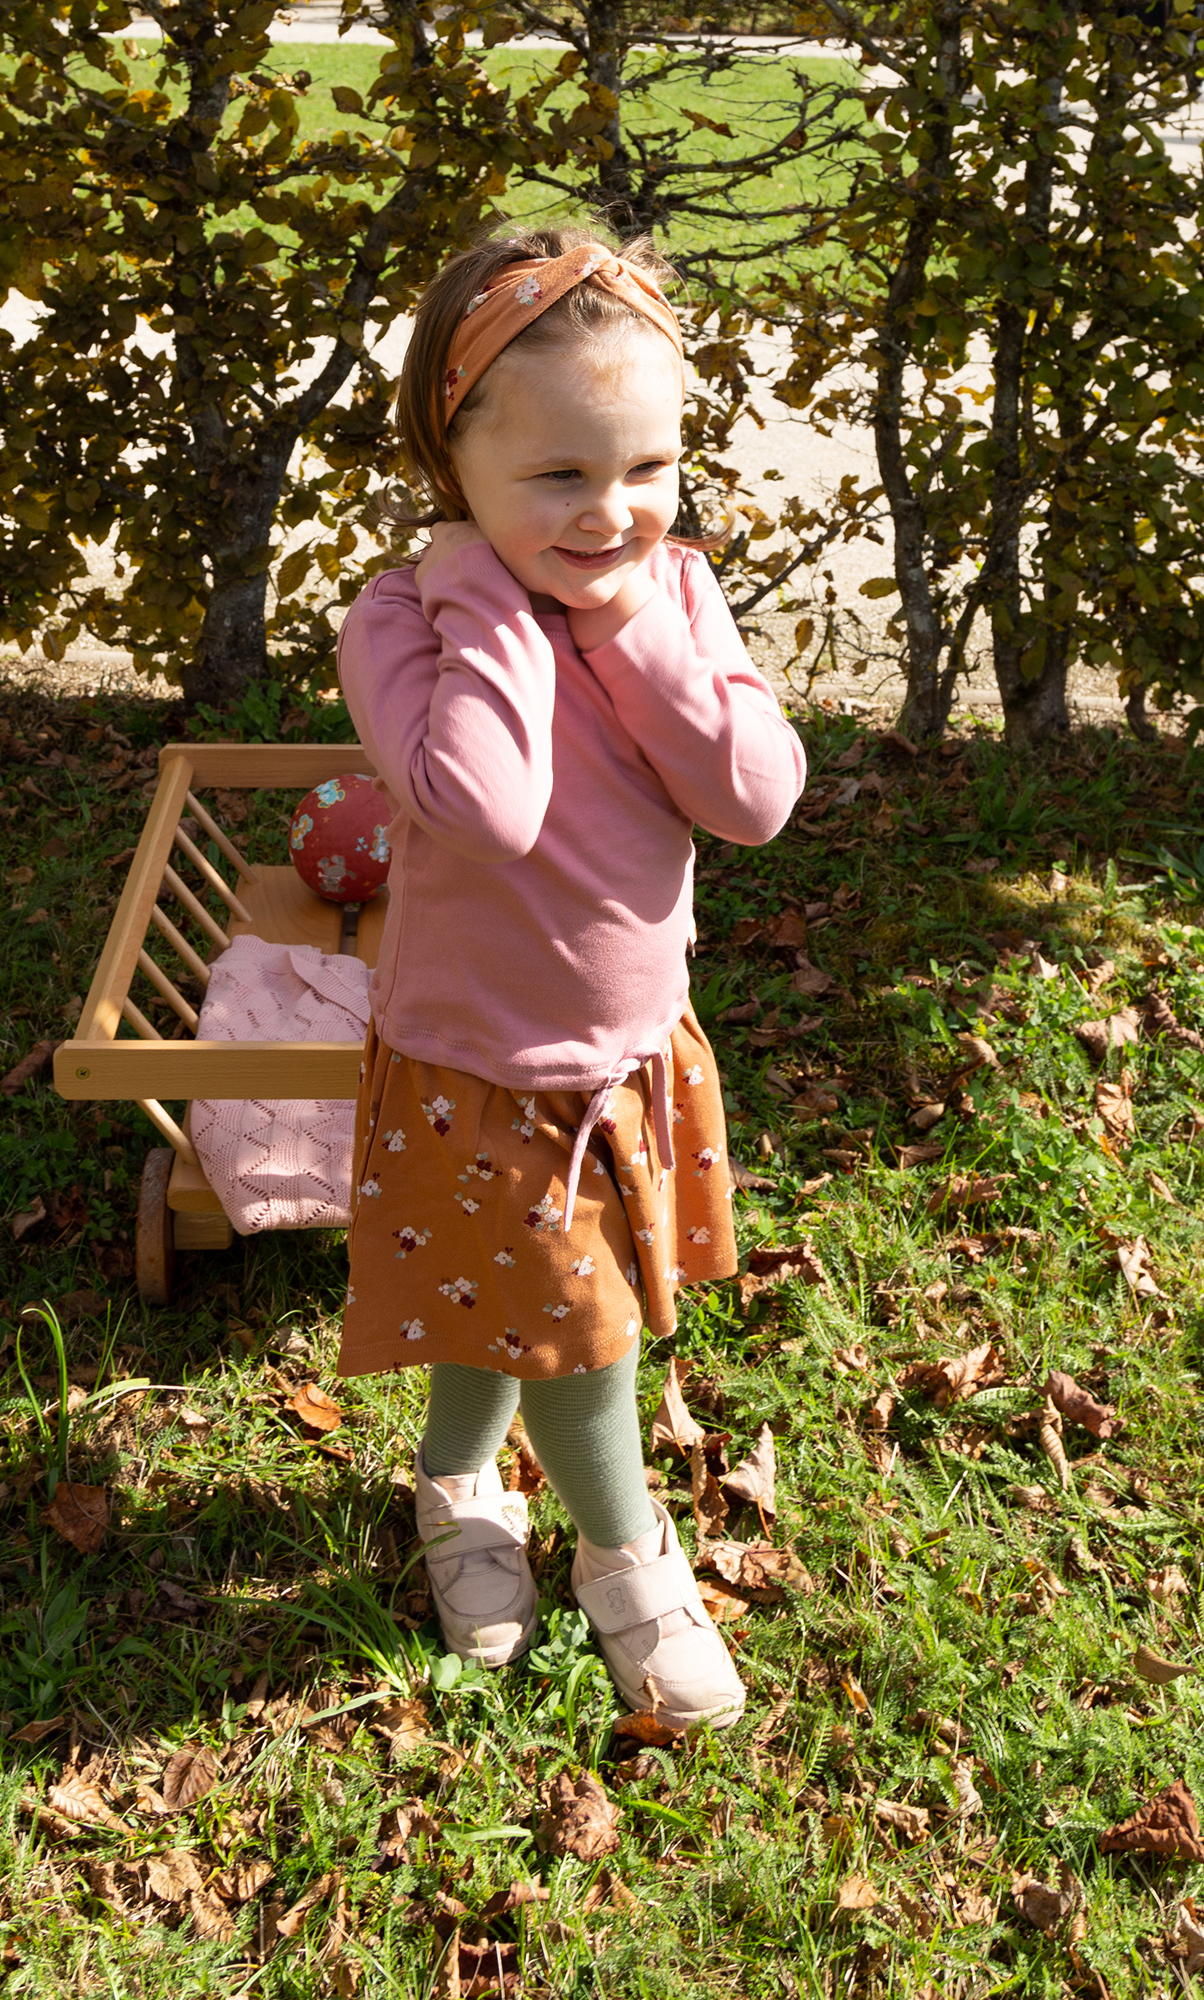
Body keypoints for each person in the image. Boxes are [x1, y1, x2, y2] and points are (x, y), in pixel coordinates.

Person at [333, 223, 806, 1730]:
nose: (614, 513)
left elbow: (754, 797)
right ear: (451, 463)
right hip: (478, 1060)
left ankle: (452, 1477)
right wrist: (486, 602)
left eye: (649, 468)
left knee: (507, 1310)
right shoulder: (406, 623)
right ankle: (626, 1555)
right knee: (574, 1341)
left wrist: (643, 633)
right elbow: (487, 804)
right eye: (558, 478)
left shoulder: (675, 595)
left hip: (626, 1045)